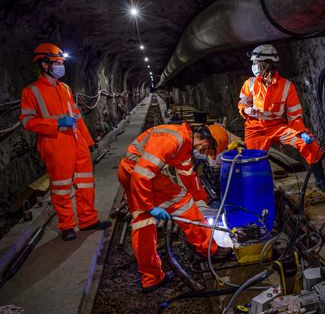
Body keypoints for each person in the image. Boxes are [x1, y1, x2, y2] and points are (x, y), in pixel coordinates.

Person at [117, 122, 232, 293]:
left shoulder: (185, 146)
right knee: (183, 203)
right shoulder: (173, 140)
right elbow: (142, 174)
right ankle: (209, 250)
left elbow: (188, 175)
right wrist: (149, 206)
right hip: (140, 175)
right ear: (206, 142)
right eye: (208, 151)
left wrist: (203, 198)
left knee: (143, 225)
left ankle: (151, 278)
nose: (205, 155)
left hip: (129, 172)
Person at [19, 43, 110, 241]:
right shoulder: (31, 91)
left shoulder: (66, 88)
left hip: (77, 142)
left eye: (62, 62)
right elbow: (28, 121)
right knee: (61, 188)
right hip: (55, 143)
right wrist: (55, 123)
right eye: (57, 62)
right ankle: (67, 226)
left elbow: (76, 116)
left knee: (86, 183)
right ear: (44, 64)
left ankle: (88, 220)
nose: (61, 65)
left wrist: (88, 140)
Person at [238, 44, 325, 192]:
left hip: (277, 127)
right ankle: (259, 189)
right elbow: (242, 103)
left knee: (308, 143)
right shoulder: (250, 84)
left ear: (267, 64)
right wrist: (246, 110)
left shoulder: (287, 86)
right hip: (255, 128)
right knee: (253, 160)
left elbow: (295, 116)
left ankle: (320, 182)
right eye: (254, 63)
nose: (254, 66)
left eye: (256, 63)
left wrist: (301, 132)